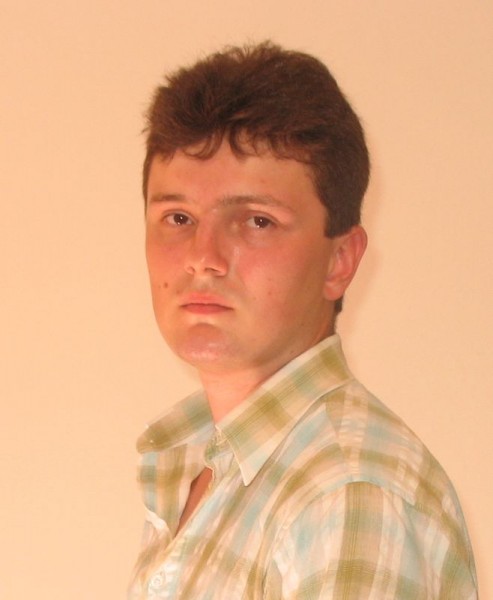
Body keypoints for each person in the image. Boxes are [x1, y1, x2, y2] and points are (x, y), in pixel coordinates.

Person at [128, 42, 477, 599]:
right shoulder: (209, 467)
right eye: (178, 217)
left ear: (340, 261)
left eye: (257, 221)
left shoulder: (348, 494)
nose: (203, 257)